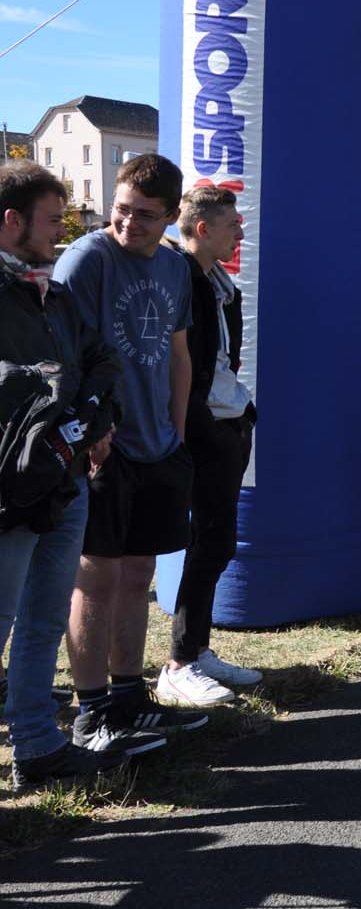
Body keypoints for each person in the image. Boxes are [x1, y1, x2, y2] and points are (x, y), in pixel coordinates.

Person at [56, 153, 210, 749]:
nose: (128, 225)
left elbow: (177, 354)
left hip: (156, 447)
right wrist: (87, 428)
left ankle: (127, 697)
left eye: (145, 216)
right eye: (121, 211)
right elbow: (59, 353)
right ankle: (90, 711)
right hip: (100, 447)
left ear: (172, 216)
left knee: (140, 571)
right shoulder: (88, 259)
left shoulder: (173, 270)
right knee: (94, 577)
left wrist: (174, 433)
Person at [0, 160, 134, 786]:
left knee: (45, 621)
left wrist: (90, 421)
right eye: (52, 222)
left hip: (67, 479)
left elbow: (100, 360)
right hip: (11, 489)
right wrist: (54, 408)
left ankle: (35, 746)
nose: (61, 234)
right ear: (11, 221)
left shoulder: (55, 292)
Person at [151, 186, 262, 708]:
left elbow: (222, 364)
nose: (240, 232)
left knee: (216, 544)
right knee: (207, 544)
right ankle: (177, 664)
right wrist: (206, 430)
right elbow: (183, 373)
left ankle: (197, 648)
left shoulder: (219, 284)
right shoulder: (180, 281)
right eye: (231, 224)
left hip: (226, 426)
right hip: (202, 433)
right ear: (202, 229)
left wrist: (242, 416)